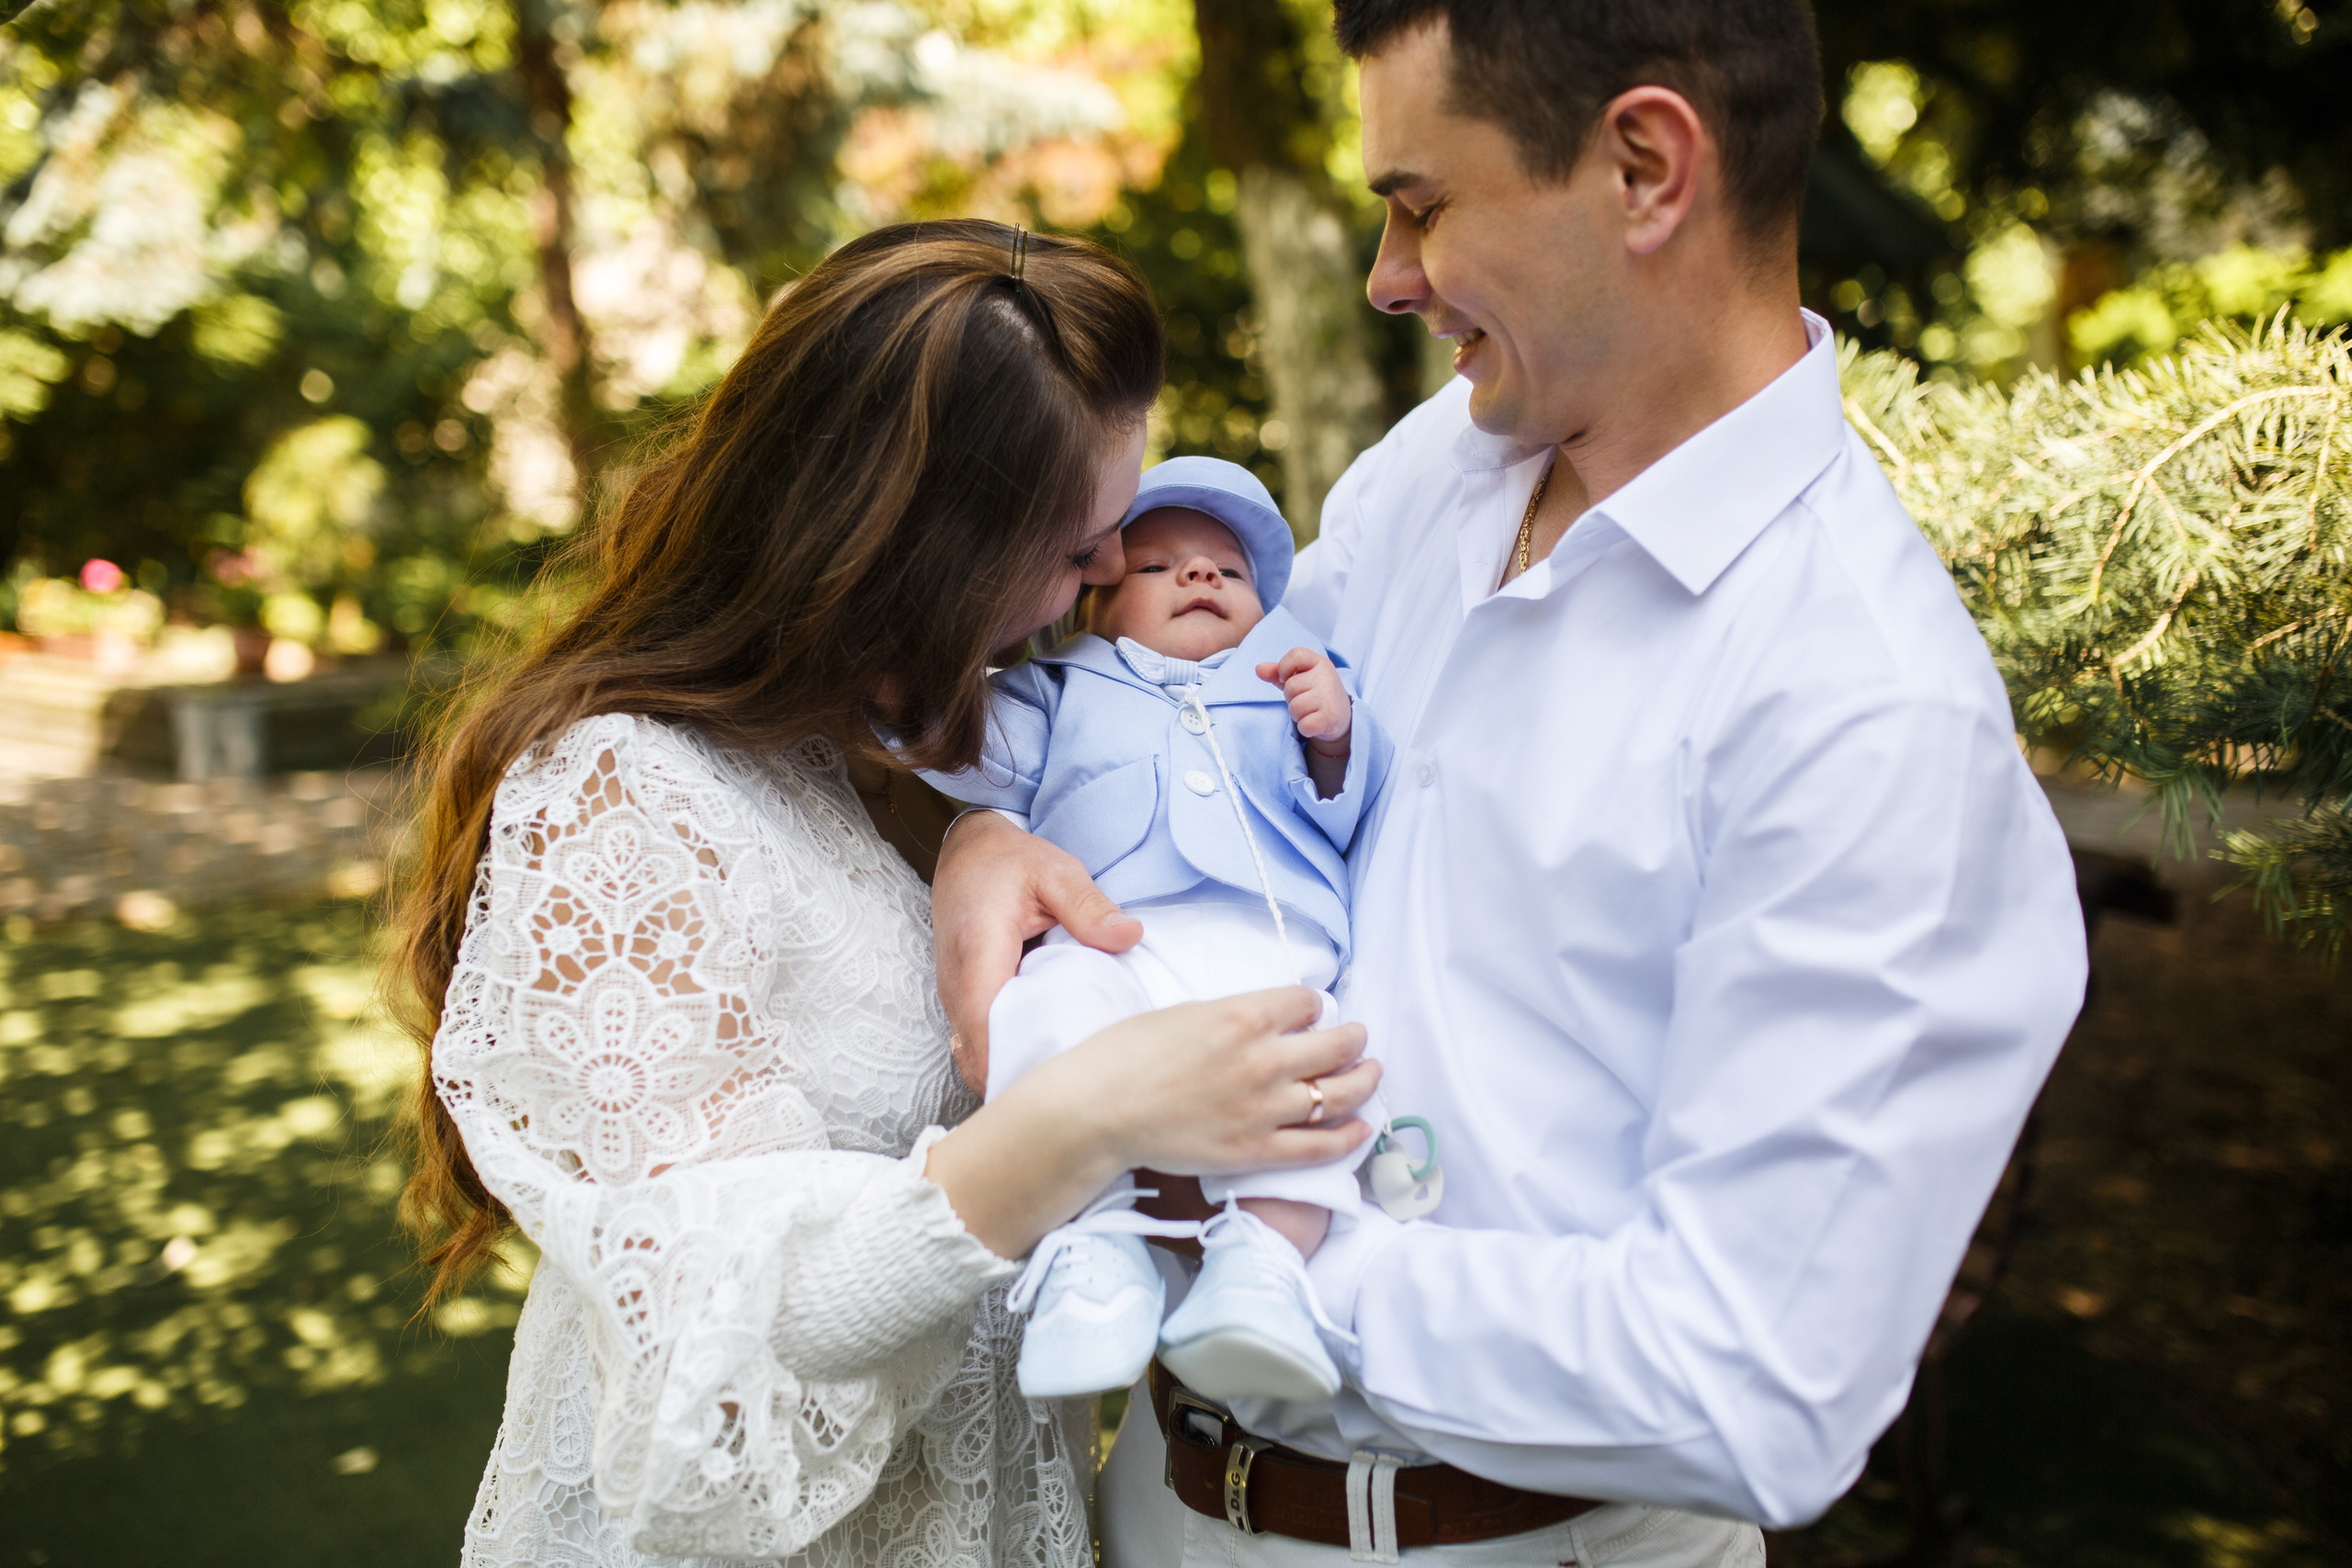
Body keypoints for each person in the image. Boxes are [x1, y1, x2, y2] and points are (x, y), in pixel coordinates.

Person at [927, 4, 2090, 1565]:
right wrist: (995, 831)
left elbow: (1750, 1378)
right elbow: (1201, 757)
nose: (1386, 273)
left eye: (1420, 202)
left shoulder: (1869, 707)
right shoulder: (1434, 474)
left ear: (1644, 168)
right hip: (1153, 1511)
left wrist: (1231, 1246)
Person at [388, 220, 1382, 1568]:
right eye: (1085, 539)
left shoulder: (930, 756)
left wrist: (971, 839)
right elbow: (702, 1374)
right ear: (926, 547)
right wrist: (1082, 1116)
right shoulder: (623, 793)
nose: (1109, 573)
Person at [914, 457, 1393, 1406]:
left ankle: (1263, 1274)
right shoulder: (1060, 687)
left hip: (1271, 948)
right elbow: (961, 747)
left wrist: (1335, 735)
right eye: (1158, 565)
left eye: (1228, 569)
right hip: (1114, 942)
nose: (1201, 576)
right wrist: (919, 683)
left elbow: (1346, 808)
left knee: (1325, 1087)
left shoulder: (1294, 683)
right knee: (1047, 1012)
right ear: (1093, 603)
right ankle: (1093, 1246)